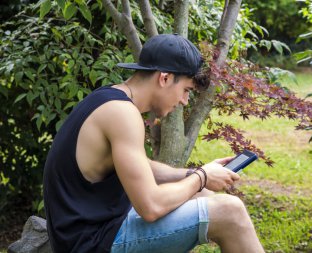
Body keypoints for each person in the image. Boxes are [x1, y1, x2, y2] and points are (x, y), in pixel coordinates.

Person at [43, 34, 265, 253]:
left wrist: (193, 173)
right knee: (230, 211)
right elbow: (151, 207)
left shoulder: (109, 98)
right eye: (186, 90)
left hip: (97, 228)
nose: (184, 101)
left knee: (201, 194)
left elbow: (141, 166)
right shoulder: (122, 114)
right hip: (93, 243)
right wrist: (202, 178)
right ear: (165, 78)